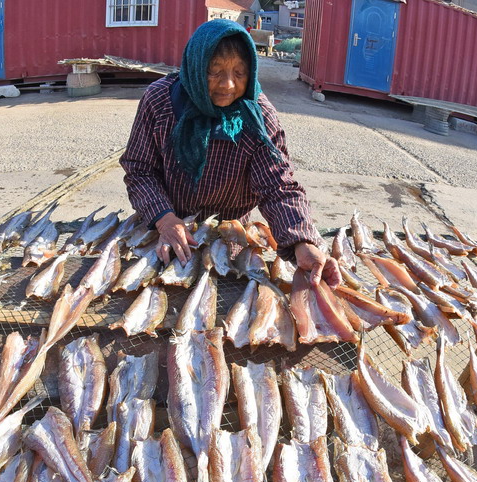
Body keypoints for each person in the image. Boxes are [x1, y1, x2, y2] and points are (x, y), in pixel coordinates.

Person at [120, 19, 338, 286]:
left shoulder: (258, 118)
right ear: (196, 65)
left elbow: (278, 186)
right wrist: (164, 219)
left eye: (240, 73)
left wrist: (302, 242)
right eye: (214, 71)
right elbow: (139, 169)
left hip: (228, 238)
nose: (228, 85)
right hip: (165, 229)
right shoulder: (160, 101)